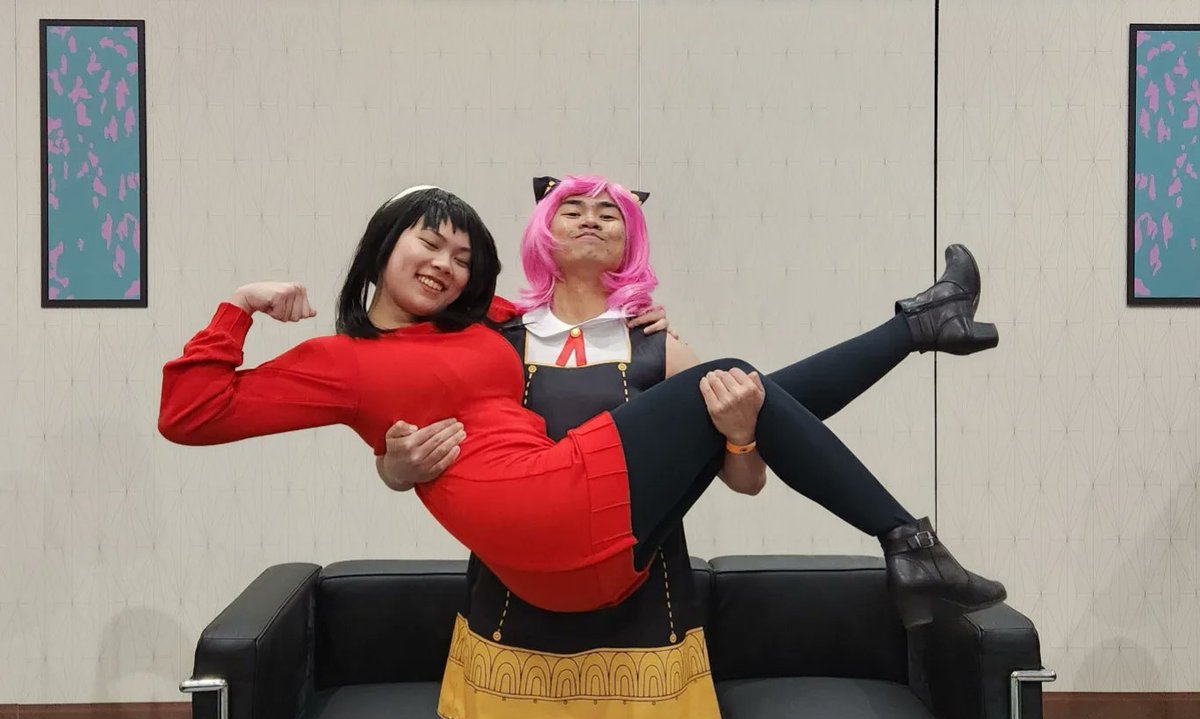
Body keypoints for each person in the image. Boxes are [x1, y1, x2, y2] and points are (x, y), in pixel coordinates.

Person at [159, 185, 1004, 636]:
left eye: (463, 255)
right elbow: (190, 412)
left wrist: (639, 317)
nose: (447, 264)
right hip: (543, 510)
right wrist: (241, 304)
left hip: (592, 547)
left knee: (743, 390)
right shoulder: (340, 362)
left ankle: (919, 332)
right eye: (429, 242)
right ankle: (910, 517)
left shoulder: (489, 324)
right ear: (381, 246)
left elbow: (569, 305)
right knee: (734, 377)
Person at [377, 175, 766, 719]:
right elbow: (400, 443)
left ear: (631, 240)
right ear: (541, 235)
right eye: (572, 210)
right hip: (515, 596)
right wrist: (396, 464)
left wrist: (740, 438)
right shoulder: (493, 341)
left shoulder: (664, 347)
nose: (591, 222)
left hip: (640, 592)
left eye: (609, 214)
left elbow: (746, 480)